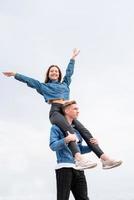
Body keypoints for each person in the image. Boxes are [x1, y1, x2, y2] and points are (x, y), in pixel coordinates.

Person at [2, 48, 122, 169]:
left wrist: (73, 58)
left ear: (59, 74)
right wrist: (15, 74)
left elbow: (69, 72)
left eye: (56, 71)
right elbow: (30, 81)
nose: (54, 72)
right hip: (55, 112)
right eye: (52, 71)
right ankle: (78, 159)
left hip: (67, 110)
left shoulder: (65, 84)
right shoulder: (43, 86)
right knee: (69, 130)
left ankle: (105, 159)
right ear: (48, 74)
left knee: (84, 131)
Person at [49, 100, 93, 200]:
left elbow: (79, 149)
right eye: (75, 109)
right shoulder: (56, 128)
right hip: (64, 167)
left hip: (79, 168)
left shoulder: (76, 130)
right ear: (67, 111)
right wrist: (66, 139)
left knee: (84, 198)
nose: (78, 111)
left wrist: (91, 146)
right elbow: (53, 146)